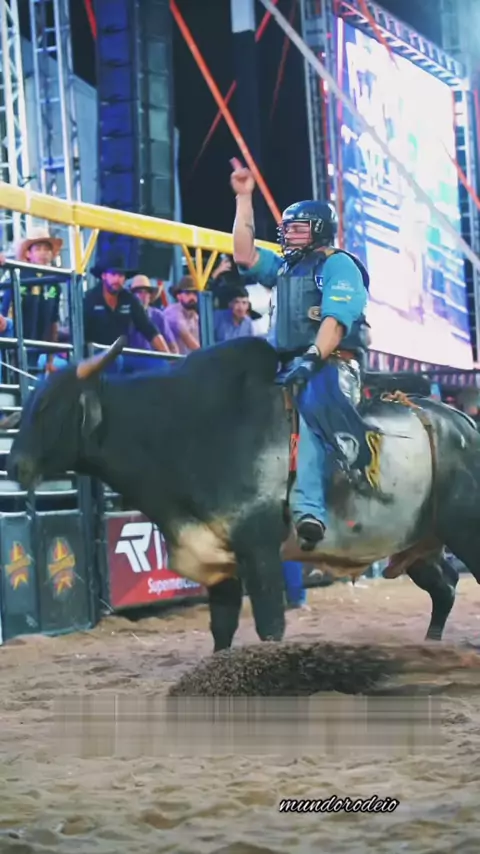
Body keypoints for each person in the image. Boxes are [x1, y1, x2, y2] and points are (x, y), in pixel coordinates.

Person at [230, 157, 371, 550]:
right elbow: (243, 255)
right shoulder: (284, 268)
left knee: (311, 412)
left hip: (331, 364)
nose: (288, 234)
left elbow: (336, 321)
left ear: (319, 230)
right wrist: (244, 198)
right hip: (286, 363)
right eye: (287, 228)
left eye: (297, 227)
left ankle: (310, 512)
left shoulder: (339, 266)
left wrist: (311, 359)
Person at [83, 251, 169, 367]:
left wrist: (168, 358)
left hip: (123, 355)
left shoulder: (129, 299)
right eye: (113, 274)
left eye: (121, 275)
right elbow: (80, 333)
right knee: (117, 363)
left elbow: (150, 330)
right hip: (96, 356)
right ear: (103, 276)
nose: (117, 279)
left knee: (160, 365)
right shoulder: (89, 299)